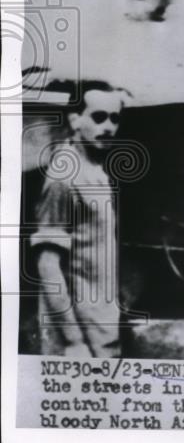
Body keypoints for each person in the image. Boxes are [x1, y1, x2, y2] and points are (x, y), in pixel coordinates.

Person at [31, 82, 126, 358]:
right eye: (98, 117)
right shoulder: (64, 175)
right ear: (75, 120)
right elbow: (48, 266)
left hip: (104, 331)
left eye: (114, 119)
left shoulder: (95, 170)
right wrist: (73, 341)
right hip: (79, 342)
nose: (108, 126)